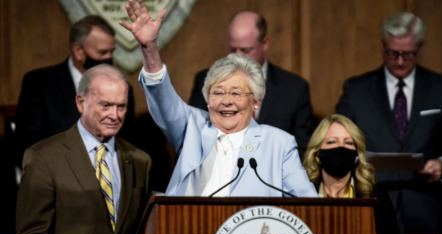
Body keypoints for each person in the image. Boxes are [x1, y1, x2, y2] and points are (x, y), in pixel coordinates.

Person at [119, 0, 318, 197]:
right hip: (189, 226)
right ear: (207, 99)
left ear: (256, 101)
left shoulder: (279, 143)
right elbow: (164, 100)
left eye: (236, 93)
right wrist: (149, 48)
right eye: (218, 92)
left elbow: (307, 203)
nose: (226, 101)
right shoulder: (192, 129)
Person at [14, 15, 172, 192]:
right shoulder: (39, 84)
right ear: (78, 51)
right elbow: (26, 145)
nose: (109, 58)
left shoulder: (122, 88)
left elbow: (123, 144)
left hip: (106, 183)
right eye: (102, 53)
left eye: (112, 52)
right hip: (54, 184)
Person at [16, 64, 152, 234]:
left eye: (121, 106)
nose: (115, 116)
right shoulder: (43, 158)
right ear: (81, 103)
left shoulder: (140, 160)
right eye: (105, 105)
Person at [336, 11, 442, 234]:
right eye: (392, 53)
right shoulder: (356, 90)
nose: (399, 61)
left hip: (429, 207)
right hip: (372, 205)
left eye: (407, 55)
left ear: (420, 46)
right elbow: (339, 145)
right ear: (382, 45)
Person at [188, 11, 316, 159]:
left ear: (265, 43)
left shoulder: (294, 89)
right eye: (233, 49)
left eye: (245, 50)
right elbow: (193, 138)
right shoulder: (206, 80)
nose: (237, 56)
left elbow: (303, 149)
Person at [303, 114, 404, 234]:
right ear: (317, 155)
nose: (341, 148)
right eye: (332, 142)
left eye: (348, 142)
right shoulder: (301, 198)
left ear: (357, 155)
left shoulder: (377, 199)